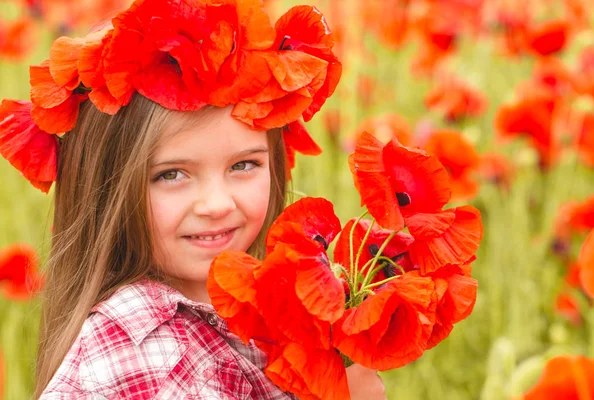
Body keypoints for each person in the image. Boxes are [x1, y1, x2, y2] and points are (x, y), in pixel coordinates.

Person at [0, 0, 387, 398]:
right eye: (172, 175)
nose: (217, 203)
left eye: (243, 165)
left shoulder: (236, 313)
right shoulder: (150, 360)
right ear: (109, 188)